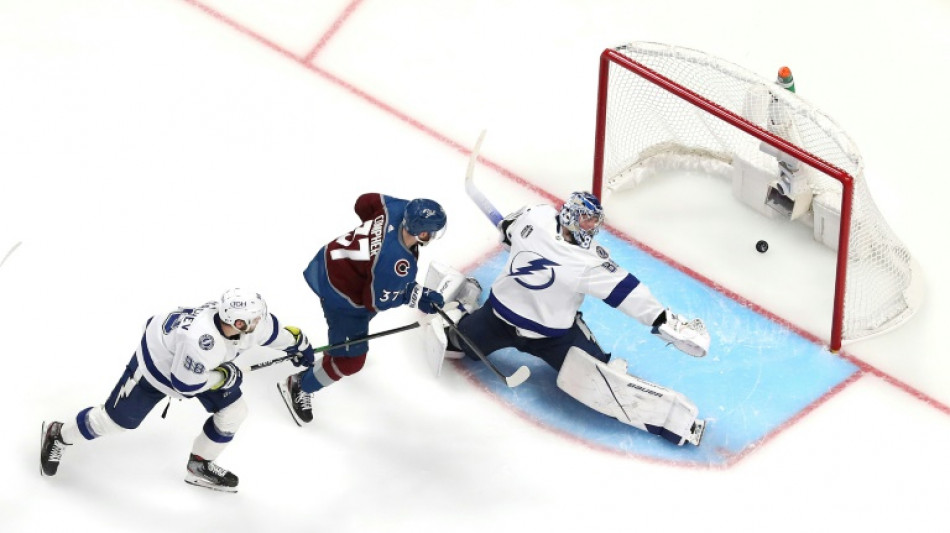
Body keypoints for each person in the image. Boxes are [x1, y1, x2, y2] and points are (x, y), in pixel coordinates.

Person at [442, 192, 711, 446]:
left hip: (553, 339)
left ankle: (677, 425)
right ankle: (466, 302)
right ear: (570, 213)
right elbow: (510, 226)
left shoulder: (590, 260)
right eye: (586, 218)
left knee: (602, 384)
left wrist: (663, 320)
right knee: (456, 344)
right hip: (496, 318)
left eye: (595, 220)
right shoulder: (537, 217)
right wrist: (510, 232)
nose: (591, 225)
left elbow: (629, 293)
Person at [39, 288, 316, 492]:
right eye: (254, 321)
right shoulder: (202, 342)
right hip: (155, 370)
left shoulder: (242, 324)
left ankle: (199, 464)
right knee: (112, 423)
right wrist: (223, 376)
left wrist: (299, 344)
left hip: (200, 367)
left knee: (235, 412)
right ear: (237, 323)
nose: (260, 323)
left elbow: (276, 331)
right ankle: (58, 434)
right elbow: (185, 385)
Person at [278, 193, 447, 426]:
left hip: (332, 259)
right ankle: (299, 384)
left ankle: (336, 351)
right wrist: (415, 295)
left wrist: (372, 240)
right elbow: (375, 302)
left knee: (351, 342)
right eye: (432, 232)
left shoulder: (398, 208)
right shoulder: (396, 262)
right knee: (351, 360)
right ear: (422, 232)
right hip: (342, 295)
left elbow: (365, 201)